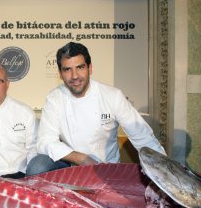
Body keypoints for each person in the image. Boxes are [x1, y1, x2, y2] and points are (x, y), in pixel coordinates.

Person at [26, 42, 166, 175]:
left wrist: (164, 171)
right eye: (67, 69)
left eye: (80, 67)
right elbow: (45, 141)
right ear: (60, 73)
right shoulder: (55, 98)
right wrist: (83, 159)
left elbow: (143, 137)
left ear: (90, 68)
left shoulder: (112, 96)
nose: (74, 76)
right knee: (37, 166)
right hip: (71, 166)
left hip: (106, 167)